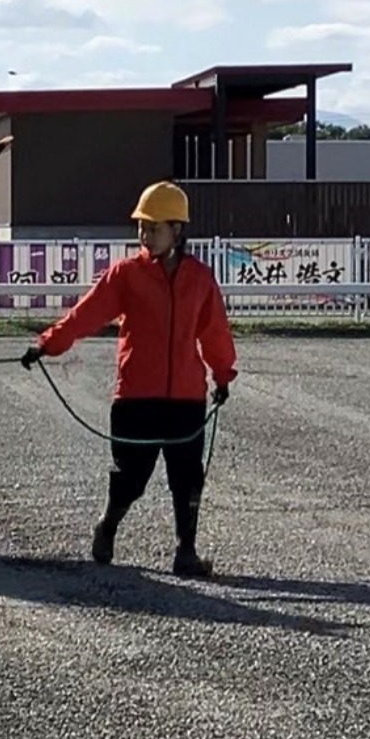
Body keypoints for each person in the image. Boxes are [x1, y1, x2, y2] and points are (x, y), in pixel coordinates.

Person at [21, 181, 237, 578]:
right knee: (130, 477)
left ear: (177, 229)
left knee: (188, 479)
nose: (144, 234)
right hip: (136, 396)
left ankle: (185, 552)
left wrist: (222, 376)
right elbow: (85, 315)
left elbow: (215, 332)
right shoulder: (125, 275)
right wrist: (47, 345)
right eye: (141, 226)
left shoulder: (200, 279)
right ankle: (108, 524)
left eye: (153, 227)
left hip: (187, 398)